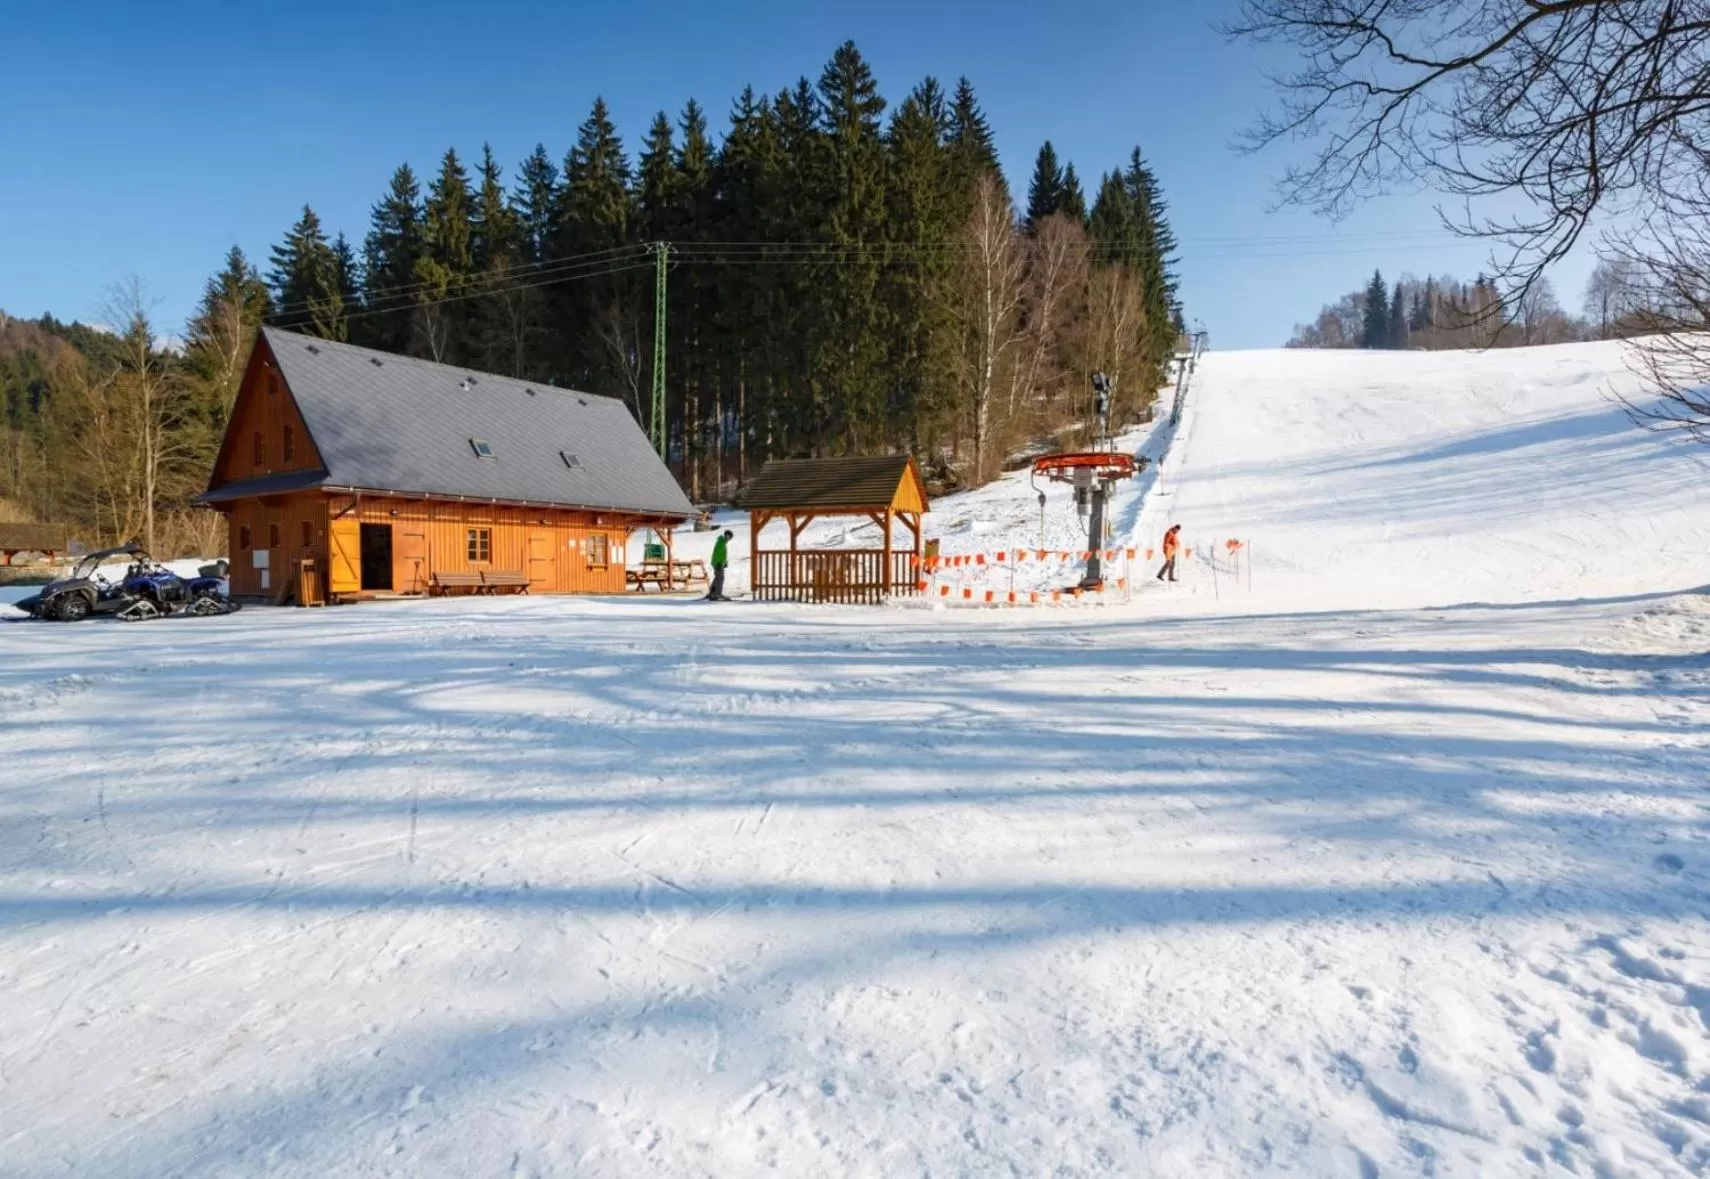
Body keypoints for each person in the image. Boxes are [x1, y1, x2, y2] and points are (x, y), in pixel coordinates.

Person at [707, 529, 733, 600]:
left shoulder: (722, 542)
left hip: (718, 563)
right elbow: (717, 554)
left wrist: (725, 563)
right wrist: (718, 564)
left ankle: (712, 593)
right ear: (727, 536)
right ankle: (717, 594)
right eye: (730, 537)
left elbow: (722, 555)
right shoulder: (721, 543)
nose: (730, 539)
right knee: (720, 578)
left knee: (718, 577)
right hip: (718, 563)